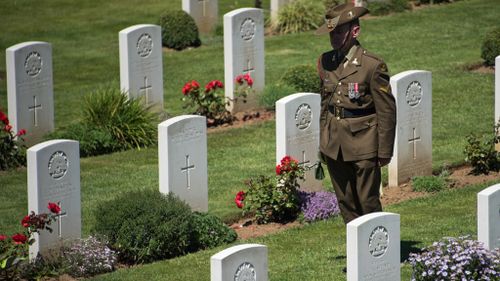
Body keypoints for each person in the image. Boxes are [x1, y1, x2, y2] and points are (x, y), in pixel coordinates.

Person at [315, 3, 396, 224]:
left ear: (355, 32)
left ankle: (377, 252)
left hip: (364, 143)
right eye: (331, 32)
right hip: (335, 144)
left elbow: (386, 110)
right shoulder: (326, 61)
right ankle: (356, 252)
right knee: (346, 202)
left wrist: (384, 150)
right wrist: (324, 140)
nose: (333, 37)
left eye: (339, 31)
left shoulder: (372, 65)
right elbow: (325, 104)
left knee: (368, 201)